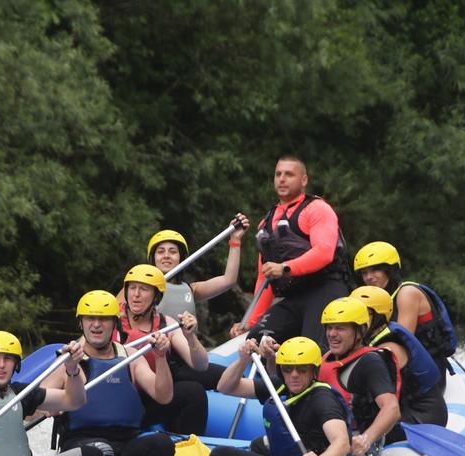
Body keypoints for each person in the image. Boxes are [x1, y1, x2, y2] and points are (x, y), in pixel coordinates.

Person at [42, 290, 176, 456]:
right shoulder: (69, 361)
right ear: (81, 323)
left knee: (162, 444)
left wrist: (161, 358)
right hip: (82, 446)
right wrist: (52, 405)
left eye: (103, 319)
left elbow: (164, 396)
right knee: (100, 451)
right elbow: (36, 405)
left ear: (114, 323)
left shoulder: (130, 357)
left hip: (125, 443)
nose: (96, 325)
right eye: (90, 318)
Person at [206, 336, 352, 456]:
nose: (294, 375)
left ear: (314, 370)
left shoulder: (322, 399)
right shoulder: (280, 386)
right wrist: (242, 361)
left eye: (302, 369)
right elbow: (225, 387)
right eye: (288, 369)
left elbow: (342, 442)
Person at [229, 155, 352, 350]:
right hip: (293, 296)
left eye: (289, 174)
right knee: (255, 340)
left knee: (313, 350)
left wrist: (285, 268)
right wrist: (251, 321)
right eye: (278, 174)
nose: (282, 179)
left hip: (325, 288)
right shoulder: (266, 223)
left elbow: (324, 252)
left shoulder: (318, 209)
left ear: (304, 180)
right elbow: (265, 277)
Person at [130, 219, 250, 390]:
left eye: (172, 252)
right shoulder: (136, 289)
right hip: (153, 357)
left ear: (181, 258)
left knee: (235, 376)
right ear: (152, 258)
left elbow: (228, 280)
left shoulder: (190, 290)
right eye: (160, 251)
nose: (166, 256)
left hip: (186, 359)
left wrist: (235, 240)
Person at [119, 264, 210, 435]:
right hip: (118, 398)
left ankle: (191, 448)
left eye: (144, 289)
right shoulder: (110, 322)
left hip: (152, 397)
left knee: (194, 392)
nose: (136, 294)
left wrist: (191, 337)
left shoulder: (166, 324)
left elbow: (201, 365)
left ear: (156, 296)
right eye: (132, 288)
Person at [352, 241, 457, 386]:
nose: (369, 277)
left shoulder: (407, 293)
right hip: (402, 368)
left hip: (427, 372)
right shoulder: (378, 301)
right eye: (364, 273)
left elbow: (402, 340)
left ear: (390, 270)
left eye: (375, 270)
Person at [350, 285, 447, 443]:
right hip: (406, 410)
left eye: (363, 314)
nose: (355, 320)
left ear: (379, 316)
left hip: (420, 417)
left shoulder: (388, 349)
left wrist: (364, 438)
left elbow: (389, 407)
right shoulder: (373, 339)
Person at [316, 297, 402, 456]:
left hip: (355, 448)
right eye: (329, 327)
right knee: (258, 445)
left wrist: (366, 439)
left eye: (340, 328)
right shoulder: (326, 358)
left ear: (360, 331)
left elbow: (392, 408)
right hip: (325, 439)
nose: (332, 333)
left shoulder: (370, 362)